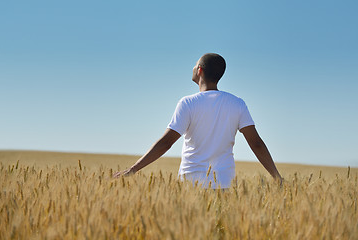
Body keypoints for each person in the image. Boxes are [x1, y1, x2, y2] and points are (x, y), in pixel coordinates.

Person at [113, 53, 282, 188]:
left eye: (195, 65)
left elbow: (166, 143)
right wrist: (277, 177)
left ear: (199, 70)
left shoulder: (188, 103)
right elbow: (256, 143)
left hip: (190, 183)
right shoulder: (238, 104)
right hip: (223, 183)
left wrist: (132, 170)